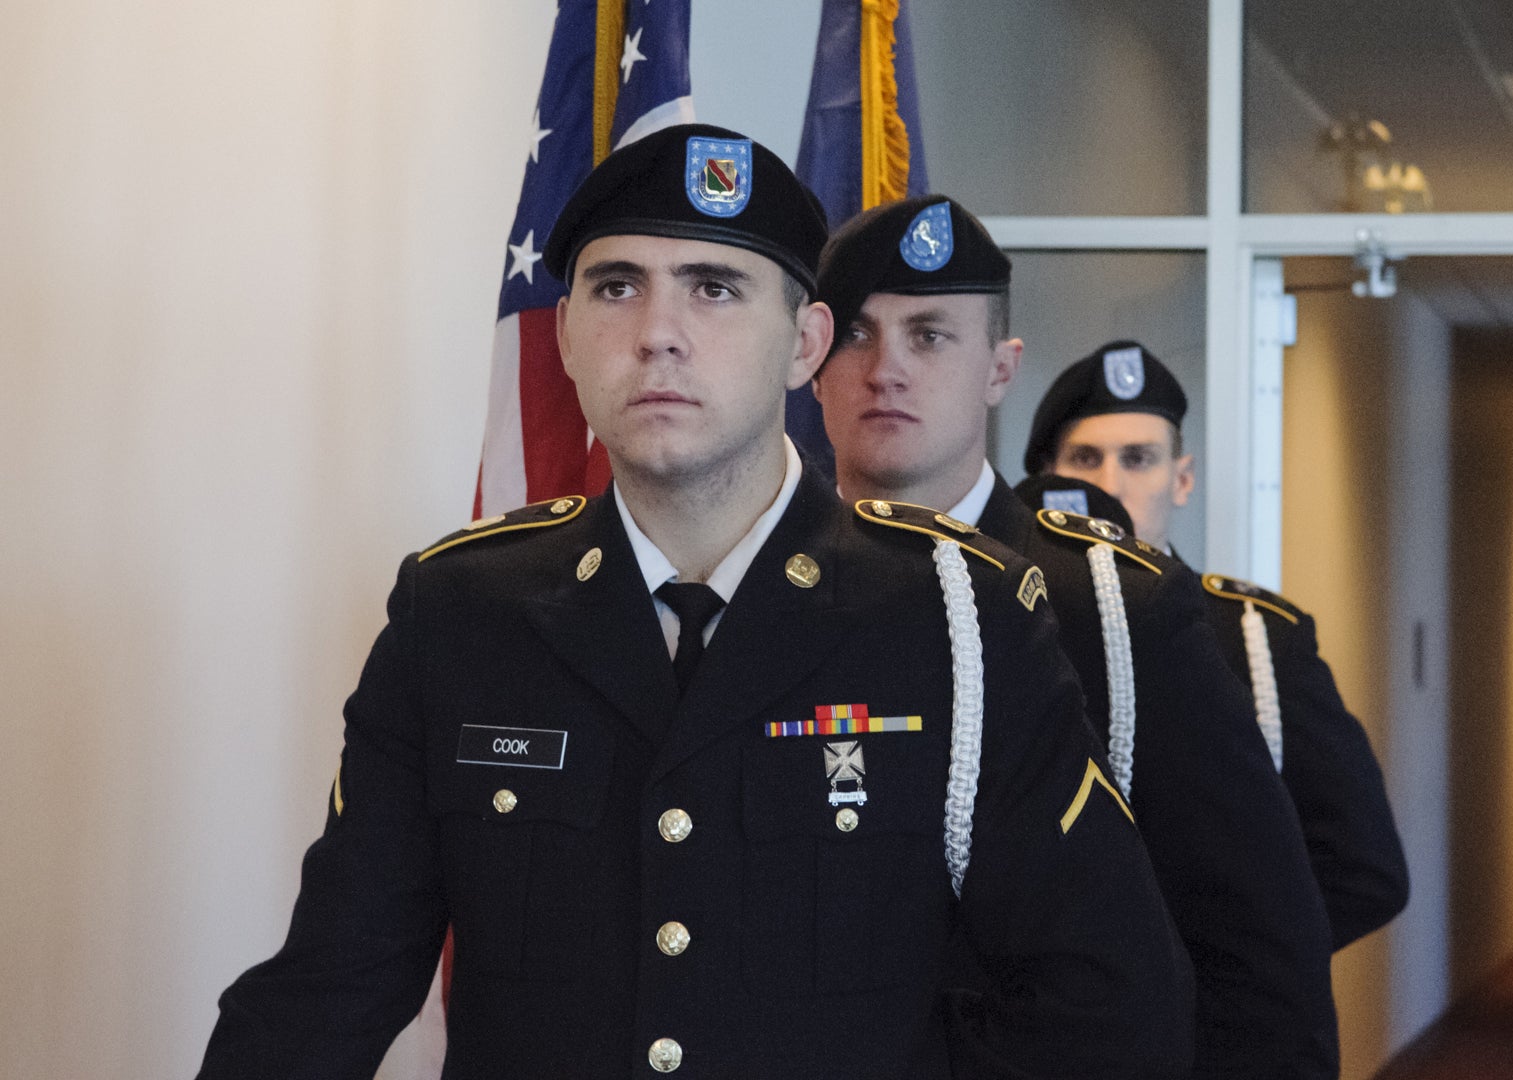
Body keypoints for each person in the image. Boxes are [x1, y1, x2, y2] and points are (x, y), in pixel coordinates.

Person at [197, 125, 1196, 1080]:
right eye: (616, 287)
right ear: (568, 340)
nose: (659, 334)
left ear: (806, 343)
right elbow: (331, 985)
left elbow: (1108, 1001)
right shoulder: (461, 613)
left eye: (714, 289)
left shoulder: (956, 618)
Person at [813, 194, 1338, 1079]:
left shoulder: (1114, 609)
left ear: (1000, 367)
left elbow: (1260, 947)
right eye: (857, 335)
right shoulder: (767, 600)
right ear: (808, 358)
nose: (887, 370)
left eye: (931, 335)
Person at [1026, 342, 1411, 951]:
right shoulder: (1013, 629)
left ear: (1182, 480)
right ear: (1046, 480)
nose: (1110, 484)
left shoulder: (1257, 640)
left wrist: (1225, 971)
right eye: (1085, 458)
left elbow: (1365, 872)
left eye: (1138, 458)